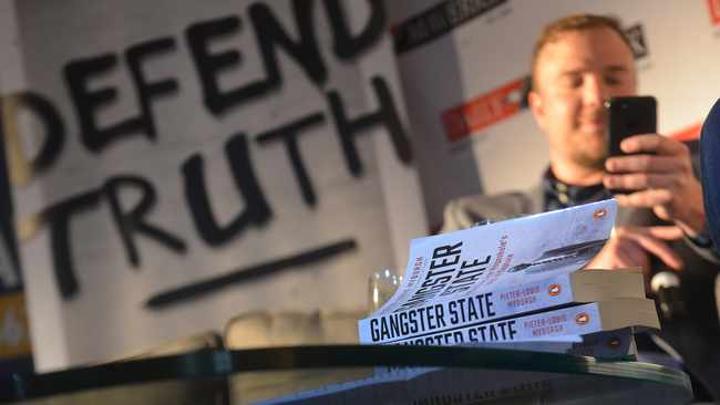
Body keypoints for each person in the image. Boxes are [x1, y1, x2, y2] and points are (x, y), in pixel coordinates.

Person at [442, 14, 720, 398]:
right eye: (574, 81)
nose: (596, 97)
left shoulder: (696, 170)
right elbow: (447, 340)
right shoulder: (477, 220)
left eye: (614, 78)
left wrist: (700, 216)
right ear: (539, 107)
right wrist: (579, 289)